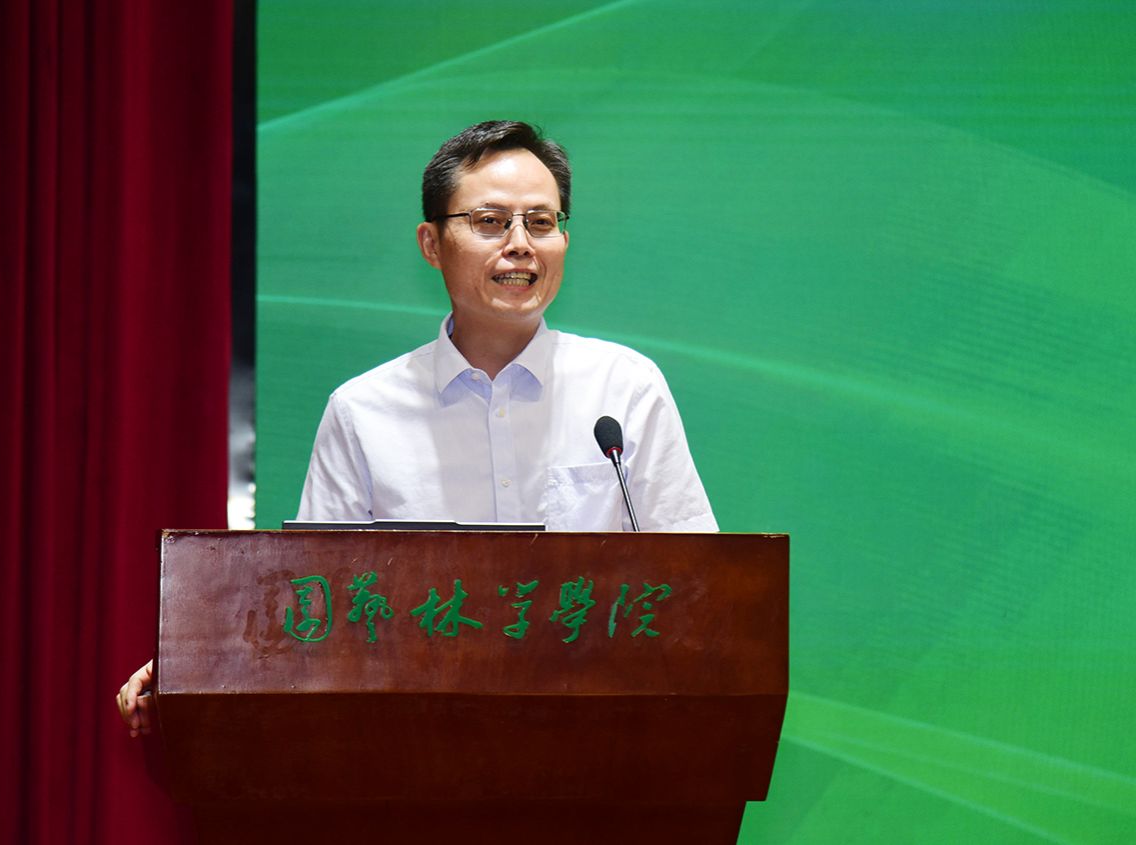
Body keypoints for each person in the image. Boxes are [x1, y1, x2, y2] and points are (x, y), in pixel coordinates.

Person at [117, 120, 717, 736]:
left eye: (541, 222)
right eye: (490, 221)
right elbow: (315, 610)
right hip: (418, 742)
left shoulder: (624, 389)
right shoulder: (363, 410)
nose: (520, 244)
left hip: (601, 735)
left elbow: (701, 584)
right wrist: (198, 669)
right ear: (431, 244)